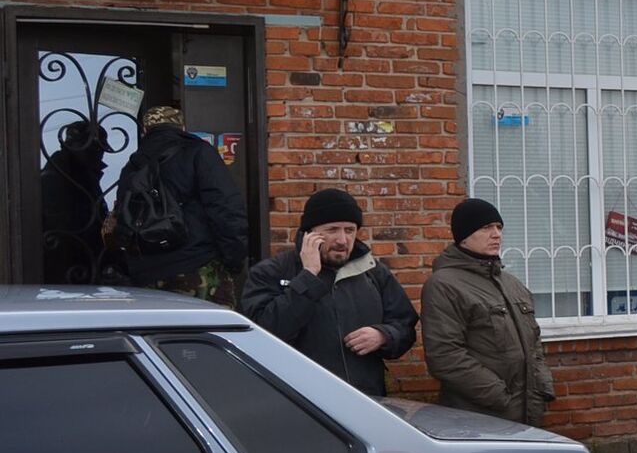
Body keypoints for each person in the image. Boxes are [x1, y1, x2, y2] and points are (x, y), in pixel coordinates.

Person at [241, 188, 418, 397]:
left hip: (366, 402)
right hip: (299, 403)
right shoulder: (271, 272)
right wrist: (308, 277)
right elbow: (263, 333)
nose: (342, 240)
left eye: (350, 230)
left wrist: (383, 336)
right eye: (332, 229)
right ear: (310, 233)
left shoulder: (373, 272)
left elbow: (405, 326)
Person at [421, 198, 554, 425]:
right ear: (463, 236)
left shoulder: (512, 284)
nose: (496, 234)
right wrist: (501, 397)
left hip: (527, 411)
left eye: (499, 227)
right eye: (486, 228)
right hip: (479, 416)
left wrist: (542, 385)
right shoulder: (444, 285)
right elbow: (446, 356)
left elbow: (534, 342)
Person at [113, 104, 248, 306]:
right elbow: (226, 209)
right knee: (209, 334)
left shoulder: (133, 167)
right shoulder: (199, 153)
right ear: (182, 128)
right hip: (198, 268)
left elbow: (123, 221)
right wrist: (234, 260)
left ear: (144, 131)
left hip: (147, 278)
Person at [41, 120, 114, 284]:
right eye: (97, 149)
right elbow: (65, 226)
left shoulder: (78, 174)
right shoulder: (61, 177)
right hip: (69, 271)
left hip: (80, 268)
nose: (101, 154)